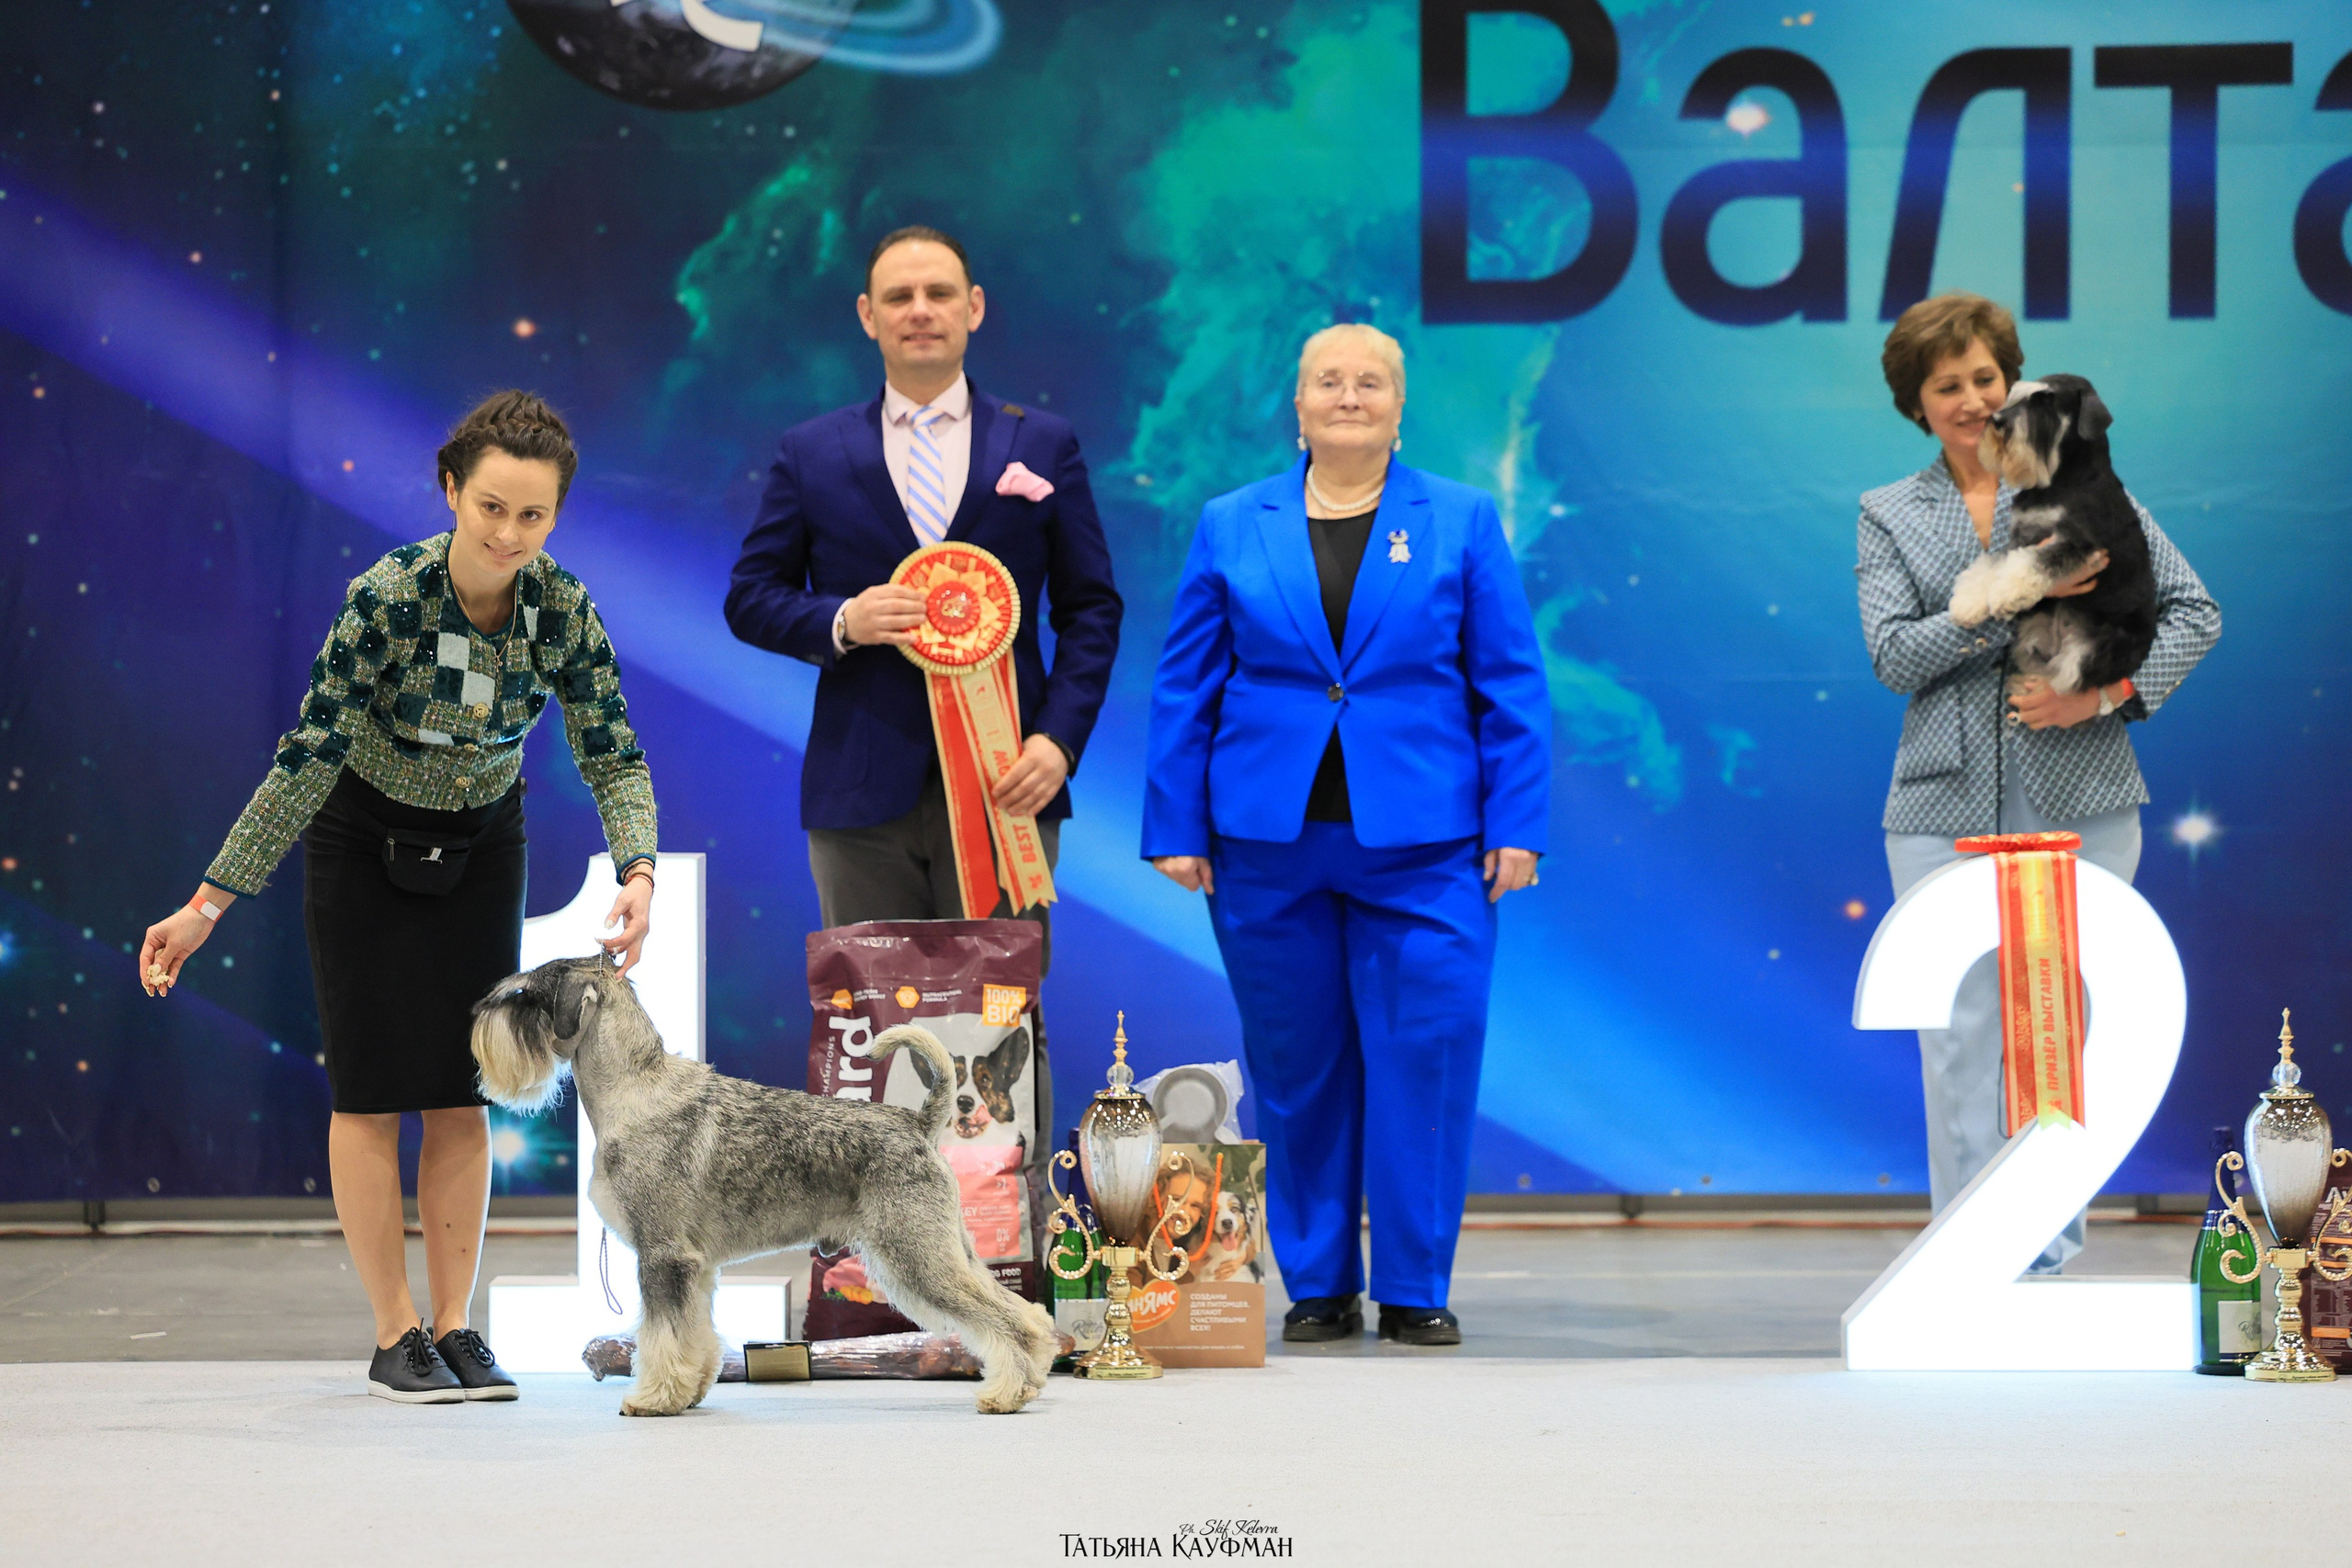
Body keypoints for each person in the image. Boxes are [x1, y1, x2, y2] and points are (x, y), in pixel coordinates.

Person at [137, 392, 659, 1402]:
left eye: (533, 516)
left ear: (556, 517)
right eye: (492, 507)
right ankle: (394, 1334)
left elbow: (612, 749)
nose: (509, 534)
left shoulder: (564, 608)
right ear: (451, 489)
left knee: (465, 1087)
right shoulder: (386, 597)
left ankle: (458, 1327)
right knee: (373, 1088)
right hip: (360, 836)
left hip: (483, 843)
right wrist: (208, 903)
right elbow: (309, 756)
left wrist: (636, 868)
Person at [1141, 322, 1551, 1346]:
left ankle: (1415, 1285)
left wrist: (1518, 823)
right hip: (1265, 847)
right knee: (1296, 1067)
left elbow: (1509, 682)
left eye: (1371, 381)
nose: (1350, 395)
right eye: (1329, 380)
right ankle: (1318, 1282)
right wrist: (1173, 822)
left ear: (1399, 406)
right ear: (1299, 403)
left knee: (1427, 1059)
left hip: (1427, 850)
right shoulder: (1234, 522)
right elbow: (1185, 682)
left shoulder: (1458, 520)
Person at [1860, 292, 2219, 1271]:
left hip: (2083, 802)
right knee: (1959, 1034)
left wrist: (2097, 697)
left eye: (1985, 378)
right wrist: (2007, 602)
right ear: (1917, 403)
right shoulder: (1889, 515)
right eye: (1948, 386)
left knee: (2058, 1031)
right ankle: (1963, 1259)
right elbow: (1893, 657)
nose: (1972, 401)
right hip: (1940, 807)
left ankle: (2044, 1259)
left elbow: (2193, 612)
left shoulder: (2087, 486)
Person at [724, 225, 1122, 971]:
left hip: (1011, 784)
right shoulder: (810, 450)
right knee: (872, 1035)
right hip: (860, 792)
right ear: (867, 316)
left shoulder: (1044, 443)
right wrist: (844, 619)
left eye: (938, 293)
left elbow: (1092, 608)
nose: (920, 309)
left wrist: (1058, 741)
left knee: (1002, 1035)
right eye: (898, 296)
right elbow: (750, 596)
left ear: (973, 308)